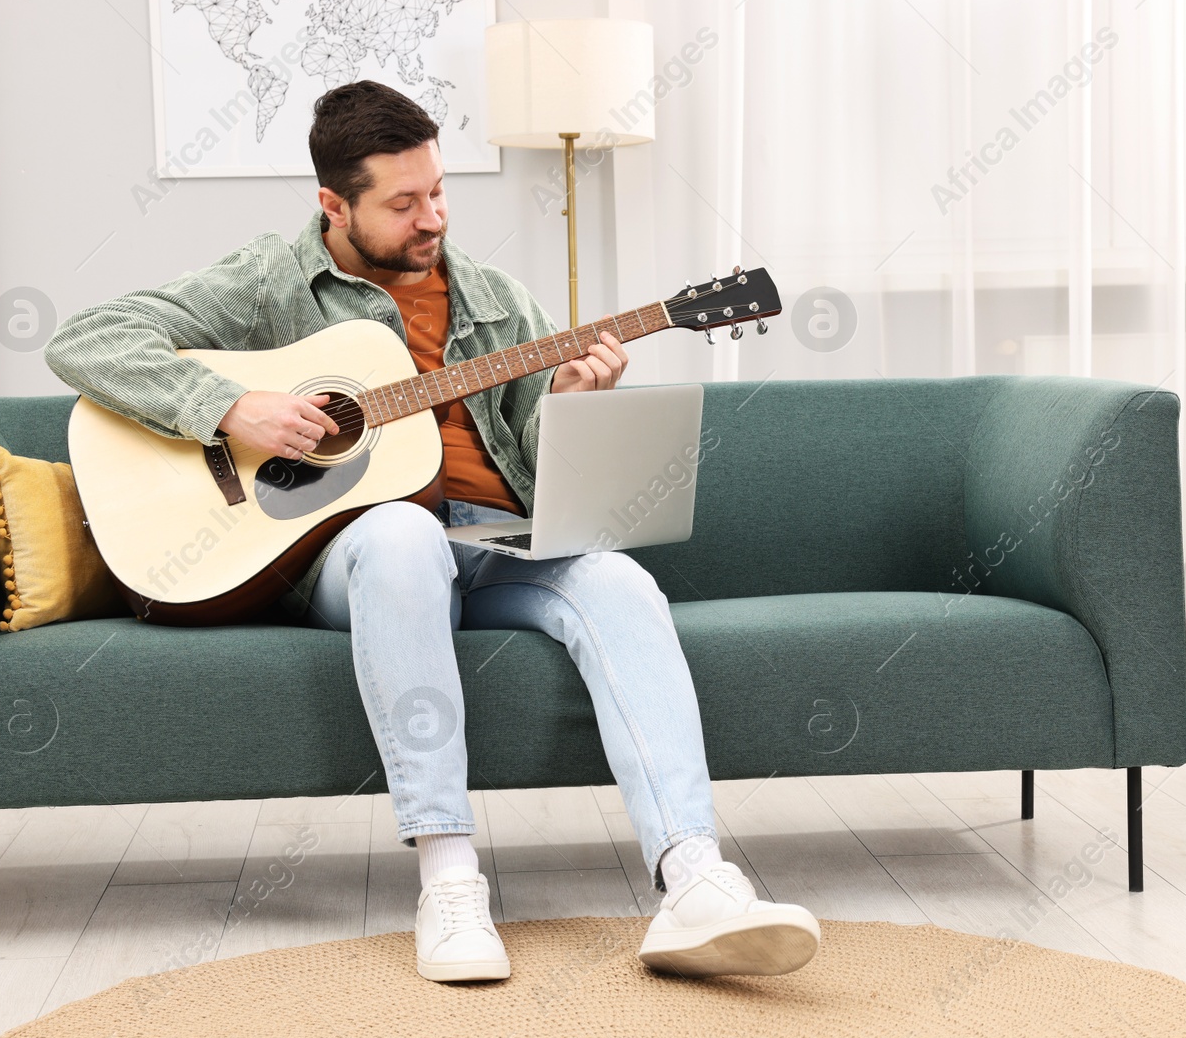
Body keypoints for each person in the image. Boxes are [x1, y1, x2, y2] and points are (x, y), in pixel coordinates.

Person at [44, 79, 820, 983]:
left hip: (493, 541)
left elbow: (544, 467)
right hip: (351, 555)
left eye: (440, 192)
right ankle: (450, 882)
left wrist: (565, 405)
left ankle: (694, 878)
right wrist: (230, 408)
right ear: (334, 205)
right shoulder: (270, 280)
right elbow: (89, 339)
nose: (433, 218)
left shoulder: (494, 301)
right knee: (400, 533)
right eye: (404, 203)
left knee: (616, 577)